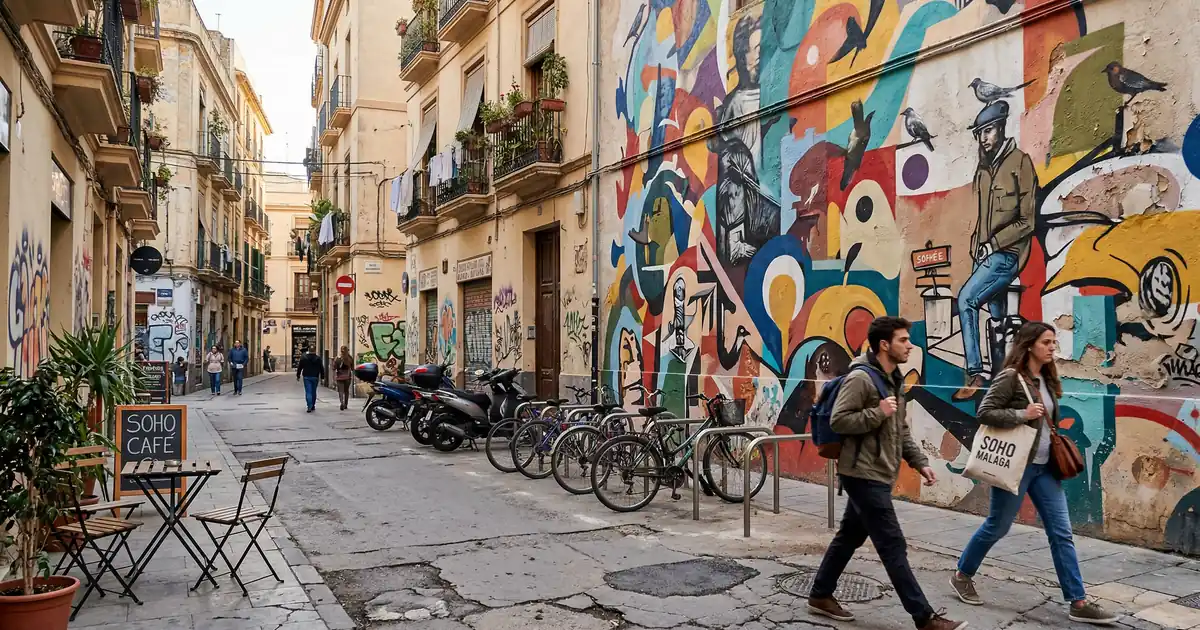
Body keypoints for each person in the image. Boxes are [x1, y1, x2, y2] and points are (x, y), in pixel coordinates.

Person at [951, 322, 1117, 625]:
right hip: (1017, 465)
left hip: (1045, 469)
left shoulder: (1048, 379)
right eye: (1046, 342)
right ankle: (962, 574)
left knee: (1061, 532)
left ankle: (1077, 601)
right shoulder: (1011, 378)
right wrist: (1021, 414)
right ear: (1029, 345)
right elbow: (985, 411)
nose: (1052, 347)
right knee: (997, 526)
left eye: (1054, 342)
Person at [807, 316, 965, 630]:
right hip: (863, 472)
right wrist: (877, 412)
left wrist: (920, 462)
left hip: (878, 471)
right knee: (892, 544)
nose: (909, 345)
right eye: (903, 340)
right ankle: (924, 618)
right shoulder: (861, 380)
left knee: (849, 535)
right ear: (884, 345)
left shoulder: (893, 379)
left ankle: (820, 594)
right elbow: (840, 421)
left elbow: (900, 430)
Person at [954, 99, 1038, 401]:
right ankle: (1008, 378)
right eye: (979, 133)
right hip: (988, 254)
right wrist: (977, 242)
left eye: (988, 131)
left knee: (966, 300)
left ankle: (975, 373)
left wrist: (994, 244)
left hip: (1009, 254)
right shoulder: (984, 168)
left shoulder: (1020, 163)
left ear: (1001, 128)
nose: (983, 138)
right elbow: (983, 216)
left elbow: (1028, 220)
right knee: (997, 316)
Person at [296, 345, 325, 412]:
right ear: (315, 350)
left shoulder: (304, 357)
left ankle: (309, 405)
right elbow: (321, 368)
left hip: (306, 376)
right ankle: (313, 405)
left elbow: (300, 367)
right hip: (315, 376)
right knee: (313, 391)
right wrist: (322, 377)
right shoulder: (318, 358)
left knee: (308, 391)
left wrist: (298, 375)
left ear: (308, 350)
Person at [333, 346, 353, 411]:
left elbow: (334, 368)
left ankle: (342, 402)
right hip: (347, 377)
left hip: (339, 377)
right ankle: (346, 404)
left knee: (340, 391)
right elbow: (352, 368)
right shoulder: (350, 358)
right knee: (346, 391)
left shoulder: (337, 358)